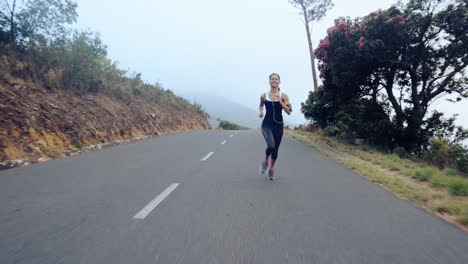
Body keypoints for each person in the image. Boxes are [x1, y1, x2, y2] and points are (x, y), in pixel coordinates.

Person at [259, 73, 292, 180]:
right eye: (272, 79)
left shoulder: (284, 96)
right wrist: (261, 112)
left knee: (275, 149)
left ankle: (271, 169)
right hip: (266, 125)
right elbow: (261, 105)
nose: (274, 80)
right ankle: (265, 162)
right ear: (269, 81)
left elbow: (289, 111)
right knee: (271, 145)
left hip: (278, 126)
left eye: (276, 79)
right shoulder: (264, 95)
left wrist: (279, 101)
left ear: (279, 81)